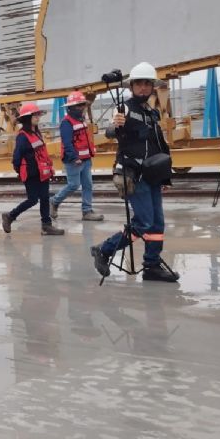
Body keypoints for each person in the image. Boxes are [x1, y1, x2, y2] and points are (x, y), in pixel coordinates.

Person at [91, 62, 180, 283]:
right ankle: (104, 249)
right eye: (138, 83)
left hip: (152, 175)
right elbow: (112, 131)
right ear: (132, 86)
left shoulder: (152, 113)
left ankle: (151, 265)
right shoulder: (125, 108)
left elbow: (160, 146)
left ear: (152, 87)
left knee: (157, 224)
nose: (142, 87)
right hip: (132, 174)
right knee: (143, 223)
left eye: (146, 84)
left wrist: (165, 176)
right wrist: (116, 126)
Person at [1, 102, 66, 236]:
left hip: (42, 172)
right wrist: (21, 172)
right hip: (31, 174)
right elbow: (16, 158)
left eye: (38, 115)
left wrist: (48, 167)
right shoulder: (22, 136)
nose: (38, 117)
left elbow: (42, 152)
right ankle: (10, 216)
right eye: (35, 115)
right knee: (33, 200)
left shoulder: (37, 132)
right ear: (27, 118)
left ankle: (46, 226)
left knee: (45, 198)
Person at [49, 91, 104, 222]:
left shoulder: (81, 119)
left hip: (85, 159)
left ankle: (87, 211)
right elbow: (67, 143)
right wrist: (75, 158)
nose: (81, 108)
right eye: (79, 106)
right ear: (71, 108)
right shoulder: (66, 123)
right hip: (74, 161)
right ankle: (54, 201)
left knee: (88, 185)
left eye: (82, 105)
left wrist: (89, 153)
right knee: (74, 185)